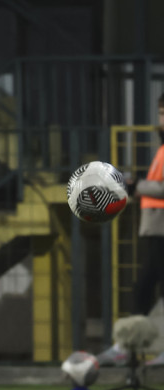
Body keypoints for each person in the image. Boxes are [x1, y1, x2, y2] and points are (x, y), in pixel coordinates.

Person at [98, 93, 164, 368]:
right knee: (149, 288)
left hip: (160, 229)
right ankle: (125, 348)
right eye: (161, 113)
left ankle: (124, 348)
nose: (162, 119)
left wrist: (137, 185)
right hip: (155, 228)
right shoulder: (162, 149)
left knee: (143, 287)